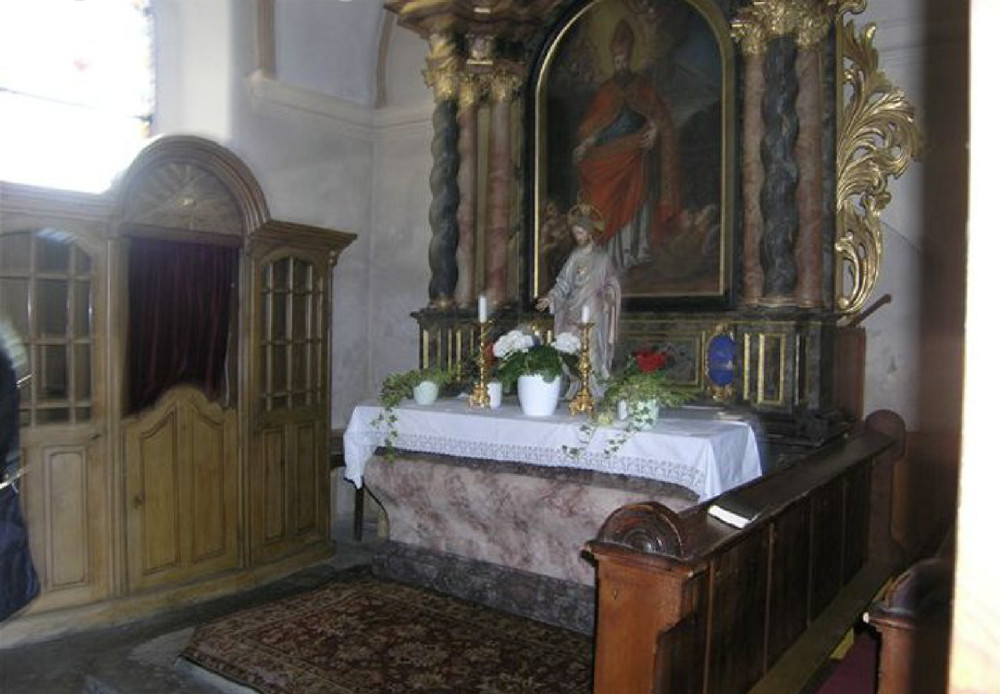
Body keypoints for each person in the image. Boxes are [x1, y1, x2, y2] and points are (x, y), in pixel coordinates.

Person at [573, 18, 682, 271]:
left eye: (623, 60)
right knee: (599, 197)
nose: (620, 65)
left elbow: (660, 117)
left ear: (630, 58)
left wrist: (654, 129)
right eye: (616, 61)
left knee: (636, 200)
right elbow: (595, 126)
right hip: (607, 154)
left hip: (635, 153)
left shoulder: (643, 87)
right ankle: (603, 253)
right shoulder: (606, 91)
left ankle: (632, 251)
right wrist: (585, 145)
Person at [536, 203, 621, 396]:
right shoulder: (574, 257)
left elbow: (612, 283)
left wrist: (609, 296)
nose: (577, 237)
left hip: (594, 310)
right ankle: (577, 388)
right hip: (573, 309)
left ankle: (594, 390)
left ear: (590, 233)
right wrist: (551, 297)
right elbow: (563, 283)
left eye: (580, 233)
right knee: (571, 350)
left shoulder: (603, 259)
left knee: (592, 351)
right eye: (575, 233)